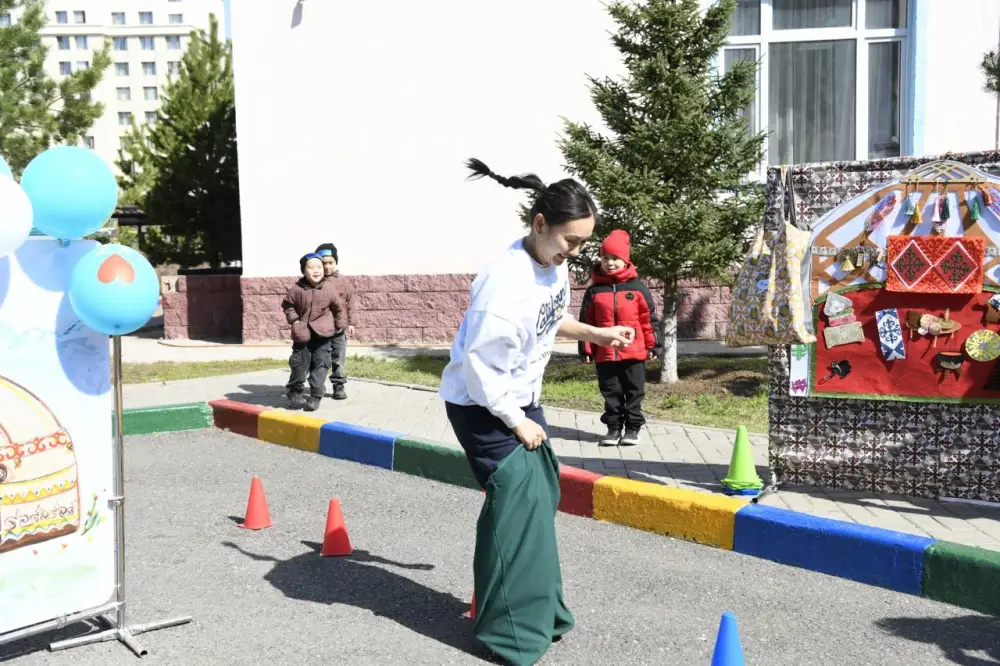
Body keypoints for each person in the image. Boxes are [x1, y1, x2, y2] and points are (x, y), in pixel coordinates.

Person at [438, 158, 634, 665]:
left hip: (519, 399)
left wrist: (596, 333)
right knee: (517, 504)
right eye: (570, 241)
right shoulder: (503, 286)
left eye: (583, 243)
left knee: (540, 492)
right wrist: (517, 420)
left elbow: (550, 321)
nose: (576, 252)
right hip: (483, 406)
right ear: (539, 224)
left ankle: (542, 612)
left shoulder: (551, 264)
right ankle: (512, 633)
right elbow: (480, 369)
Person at [578, 229, 661, 446]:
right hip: (605, 352)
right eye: (605, 258)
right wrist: (586, 348)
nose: (610, 263)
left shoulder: (638, 289)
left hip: (633, 352)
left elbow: (648, 320)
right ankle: (613, 428)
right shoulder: (595, 291)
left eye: (615, 258)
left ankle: (633, 428)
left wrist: (653, 345)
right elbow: (586, 322)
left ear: (625, 260)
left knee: (634, 391)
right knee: (611, 392)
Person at [281, 253, 346, 412]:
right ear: (304, 271)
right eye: (311, 267)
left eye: (319, 267)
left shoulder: (329, 288)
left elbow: (338, 308)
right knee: (299, 364)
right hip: (302, 334)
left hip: (323, 335)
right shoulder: (296, 289)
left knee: (321, 364)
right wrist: (295, 320)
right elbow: (287, 306)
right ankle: (295, 391)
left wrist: (340, 325)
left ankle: (315, 396)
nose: (316, 270)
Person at [315, 242, 355, 400]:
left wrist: (351, 323)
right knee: (319, 358)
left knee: (338, 358)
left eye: (330, 262)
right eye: (323, 263)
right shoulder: (314, 281)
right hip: (319, 329)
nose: (327, 266)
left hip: (339, 329)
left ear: (335, 262)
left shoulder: (343, 281)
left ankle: (338, 385)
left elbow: (350, 303)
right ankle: (318, 384)